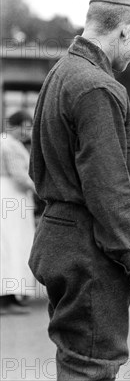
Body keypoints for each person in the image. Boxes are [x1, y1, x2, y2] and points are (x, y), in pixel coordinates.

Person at [28, 0, 130, 380]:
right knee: (91, 366)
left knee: (78, 358)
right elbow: (108, 187)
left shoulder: (62, 72)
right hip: (89, 250)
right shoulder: (97, 86)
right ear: (127, 30)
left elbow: (39, 167)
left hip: (61, 237)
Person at [0, 111, 36, 315]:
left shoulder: (6, 142)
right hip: (11, 197)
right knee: (10, 245)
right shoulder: (9, 144)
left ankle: (12, 295)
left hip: (11, 197)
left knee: (12, 245)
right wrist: (39, 189)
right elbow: (19, 176)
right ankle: (6, 298)